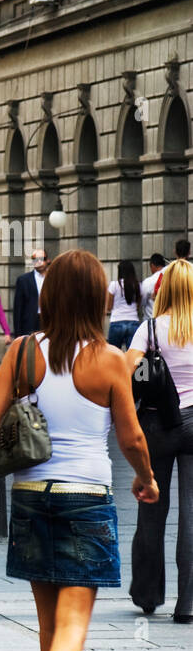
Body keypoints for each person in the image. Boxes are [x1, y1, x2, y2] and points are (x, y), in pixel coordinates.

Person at [0, 249, 158, 651]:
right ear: (96, 298)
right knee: (74, 624)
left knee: (50, 625)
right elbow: (130, 436)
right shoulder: (110, 358)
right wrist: (146, 478)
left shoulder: (21, 351)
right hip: (85, 495)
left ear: (49, 295)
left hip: (32, 493)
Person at [126, 259, 193, 622]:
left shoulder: (149, 329)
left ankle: (148, 595)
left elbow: (124, 371)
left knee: (151, 508)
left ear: (163, 290)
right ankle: (189, 603)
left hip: (158, 425)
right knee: (192, 514)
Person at [12, 249, 51, 337]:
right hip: (29, 324)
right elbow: (18, 309)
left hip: (49, 322)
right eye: (36, 259)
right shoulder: (23, 280)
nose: (39, 262)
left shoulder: (54, 279)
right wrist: (18, 334)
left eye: (42, 259)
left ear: (48, 260)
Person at [106, 259, 142, 350]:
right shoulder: (138, 285)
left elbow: (109, 307)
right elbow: (138, 306)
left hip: (116, 322)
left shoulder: (113, 285)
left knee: (114, 356)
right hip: (133, 322)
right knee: (132, 358)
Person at [139, 253, 167, 320]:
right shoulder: (172, 277)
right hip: (168, 319)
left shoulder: (147, 282)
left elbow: (142, 301)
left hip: (151, 319)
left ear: (152, 265)